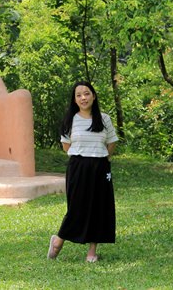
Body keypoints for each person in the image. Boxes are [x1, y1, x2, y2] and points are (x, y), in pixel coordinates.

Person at [47, 81, 118, 263]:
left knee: (98, 208)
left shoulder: (104, 119)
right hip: (78, 167)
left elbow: (111, 143)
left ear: (93, 96)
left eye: (86, 93)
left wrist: (103, 160)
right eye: (79, 95)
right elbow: (66, 146)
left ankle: (92, 252)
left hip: (100, 167)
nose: (83, 98)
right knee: (76, 207)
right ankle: (58, 240)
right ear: (74, 99)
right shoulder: (70, 119)